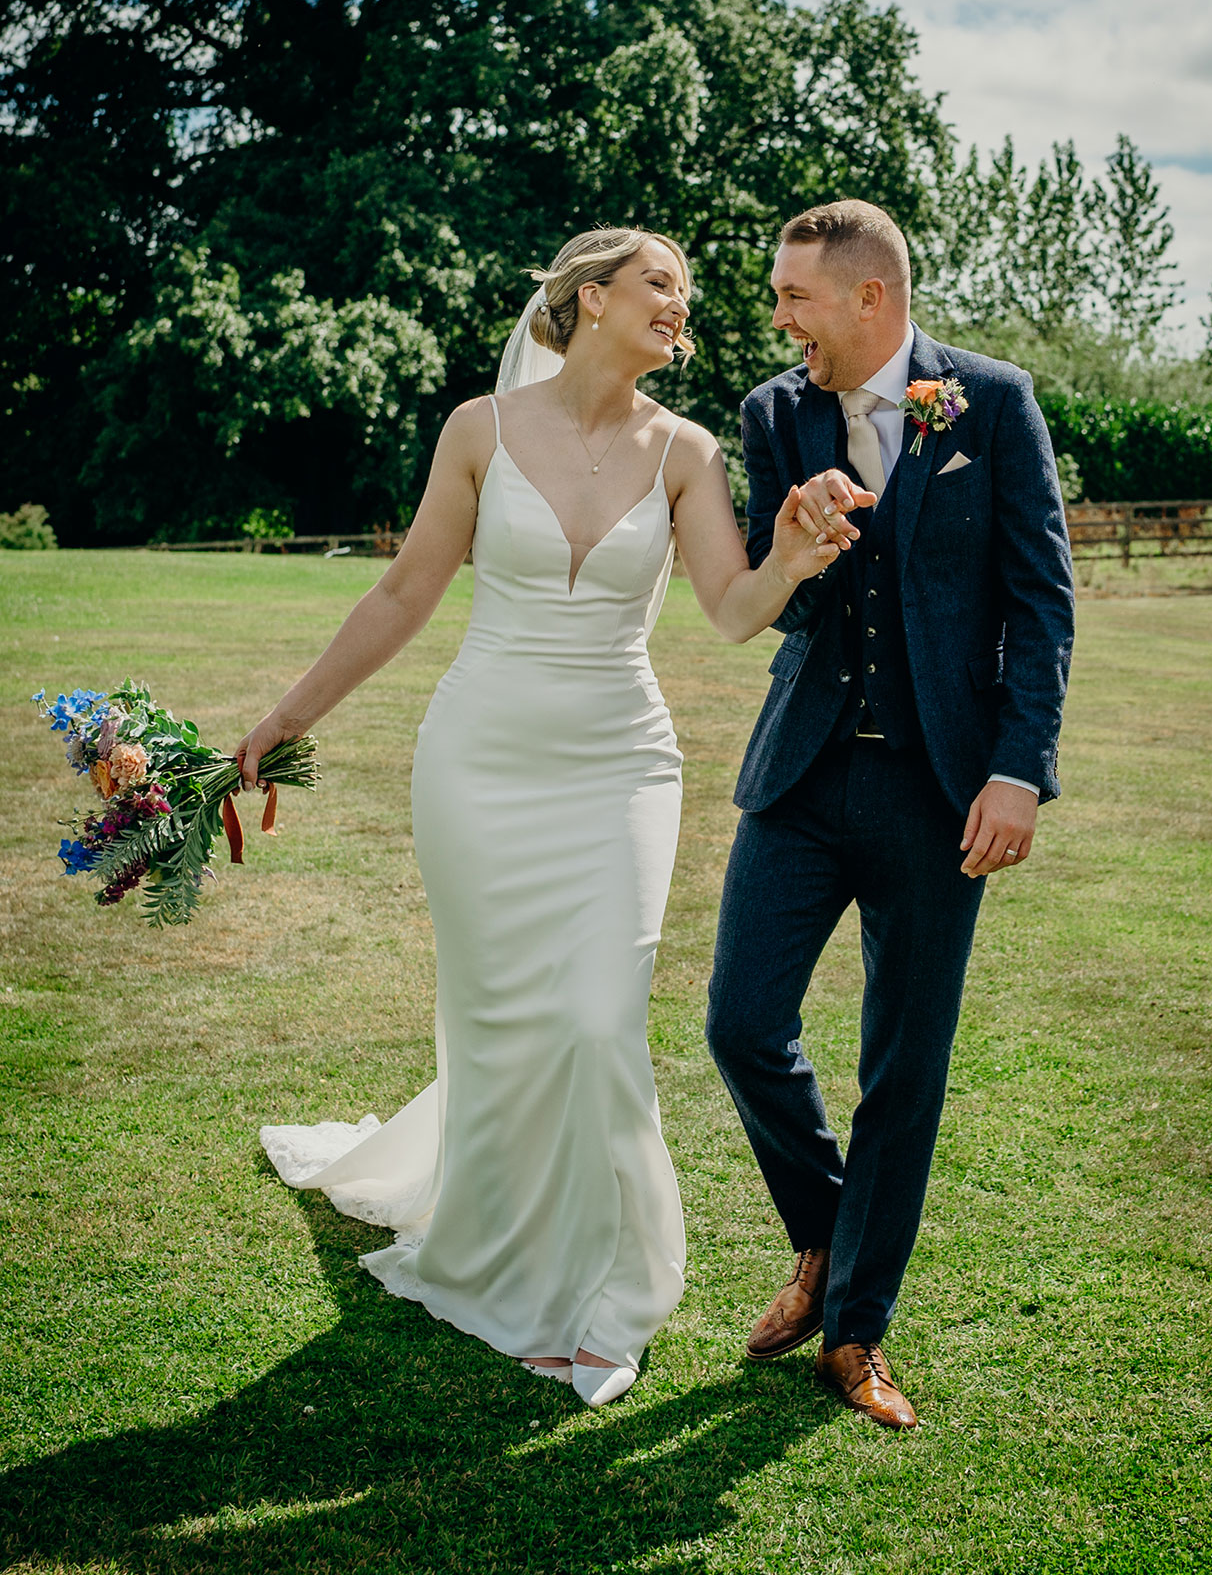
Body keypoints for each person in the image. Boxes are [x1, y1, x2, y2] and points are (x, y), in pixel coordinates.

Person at [243, 227, 846, 1408]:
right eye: (660, 283)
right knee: (500, 1022)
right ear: (589, 297)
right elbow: (405, 590)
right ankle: (501, 1255)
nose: (682, 305)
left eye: (686, 293)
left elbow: (731, 611)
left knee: (596, 1021)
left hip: (621, 767)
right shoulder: (479, 431)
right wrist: (284, 718)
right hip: (478, 763)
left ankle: (607, 1293)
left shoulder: (687, 453)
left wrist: (786, 561)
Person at [706, 199, 1074, 1428]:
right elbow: (785, 600)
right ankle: (826, 1235)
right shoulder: (774, 413)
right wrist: (796, 550)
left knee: (904, 1066)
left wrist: (1019, 769)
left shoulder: (992, 402)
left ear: (870, 297)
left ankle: (855, 1331)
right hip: (802, 776)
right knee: (741, 1024)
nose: (780, 320)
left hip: (943, 790)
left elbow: (1041, 597)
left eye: (794, 296)